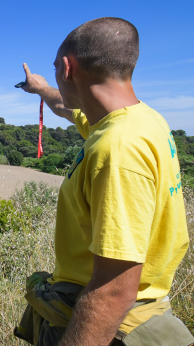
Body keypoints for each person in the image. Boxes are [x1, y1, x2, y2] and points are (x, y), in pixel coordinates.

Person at [13, 18, 193, 346]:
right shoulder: (142, 120)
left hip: (103, 325)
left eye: (55, 69)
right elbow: (66, 109)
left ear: (68, 68)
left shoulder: (117, 149)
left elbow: (114, 290)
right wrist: (38, 87)